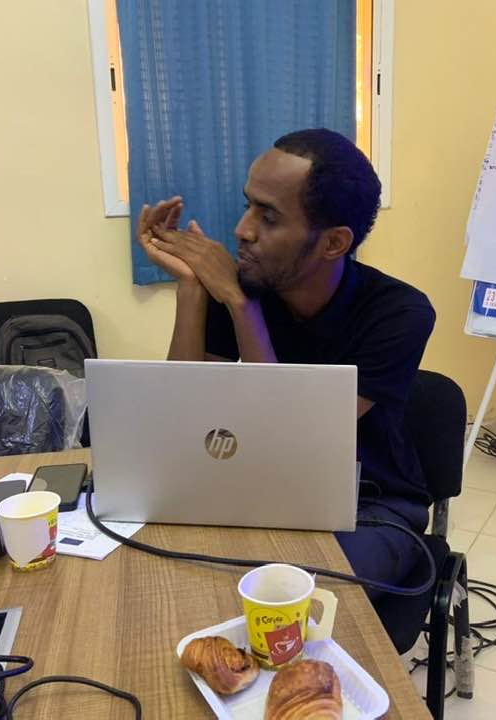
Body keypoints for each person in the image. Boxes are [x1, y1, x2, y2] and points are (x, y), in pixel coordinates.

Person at [138, 128, 435, 595]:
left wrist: (241, 306)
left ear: (333, 243)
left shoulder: (399, 314)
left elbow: (298, 439)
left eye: (269, 216)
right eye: (247, 205)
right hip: (264, 488)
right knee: (167, 570)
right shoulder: (246, 285)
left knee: (294, 595)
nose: (242, 230)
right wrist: (193, 289)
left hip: (370, 506)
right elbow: (184, 417)